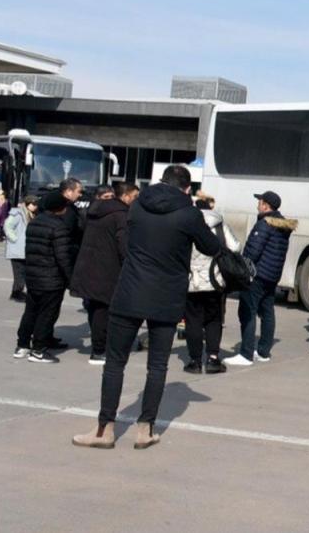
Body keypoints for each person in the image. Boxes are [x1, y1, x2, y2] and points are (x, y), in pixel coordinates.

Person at [72, 165, 222, 450]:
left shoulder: (139, 204)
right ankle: (145, 428)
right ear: (187, 189)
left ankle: (105, 429)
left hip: (130, 289)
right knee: (157, 366)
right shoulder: (189, 213)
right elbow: (212, 247)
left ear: (160, 181)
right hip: (166, 295)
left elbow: (129, 242)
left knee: (115, 362)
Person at [225, 190, 296, 366]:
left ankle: (246, 354)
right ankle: (263, 352)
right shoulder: (282, 226)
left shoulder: (264, 224)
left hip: (257, 275)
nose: (257, 204)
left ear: (266, 205)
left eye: (260, 202)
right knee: (267, 312)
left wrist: (241, 267)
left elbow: (253, 252)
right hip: (271, 276)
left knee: (247, 311)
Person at [69, 182, 132, 366]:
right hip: (105, 268)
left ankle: (100, 346)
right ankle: (99, 350)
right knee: (102, 311)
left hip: (89, 267)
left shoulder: (90, 213)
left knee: (95, 309)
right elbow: (122, 244)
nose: (108, 201)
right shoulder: (117, 215)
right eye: (106, 198)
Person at [182, 194, 240, 374]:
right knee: (214, 319)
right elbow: (235, 247)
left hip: (192, 280)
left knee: (193, 320)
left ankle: (195, 361)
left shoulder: (187, 224)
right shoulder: (220, 224)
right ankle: (213, 358)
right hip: (216, 280)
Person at [15, 192, 76, 363]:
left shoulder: (34, 223)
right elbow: (63, 257)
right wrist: (71, 279)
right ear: (60, 208)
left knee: (30, 312)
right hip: (51, 278)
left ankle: (22, 345)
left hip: (33, 276)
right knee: (46, 314)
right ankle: (39, 350)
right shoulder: (59, 227)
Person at [3, 195, 38, 302]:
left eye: (36, 204)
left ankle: (16, 292)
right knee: (19, 273)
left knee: (25, 272)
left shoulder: (32, 215)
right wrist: (15, 239)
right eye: (33, 204)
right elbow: (7, 226)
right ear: (27, 204)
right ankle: (17, 293)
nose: (35, 206)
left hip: (25, 249)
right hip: (17, 249)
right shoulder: (18, 213)